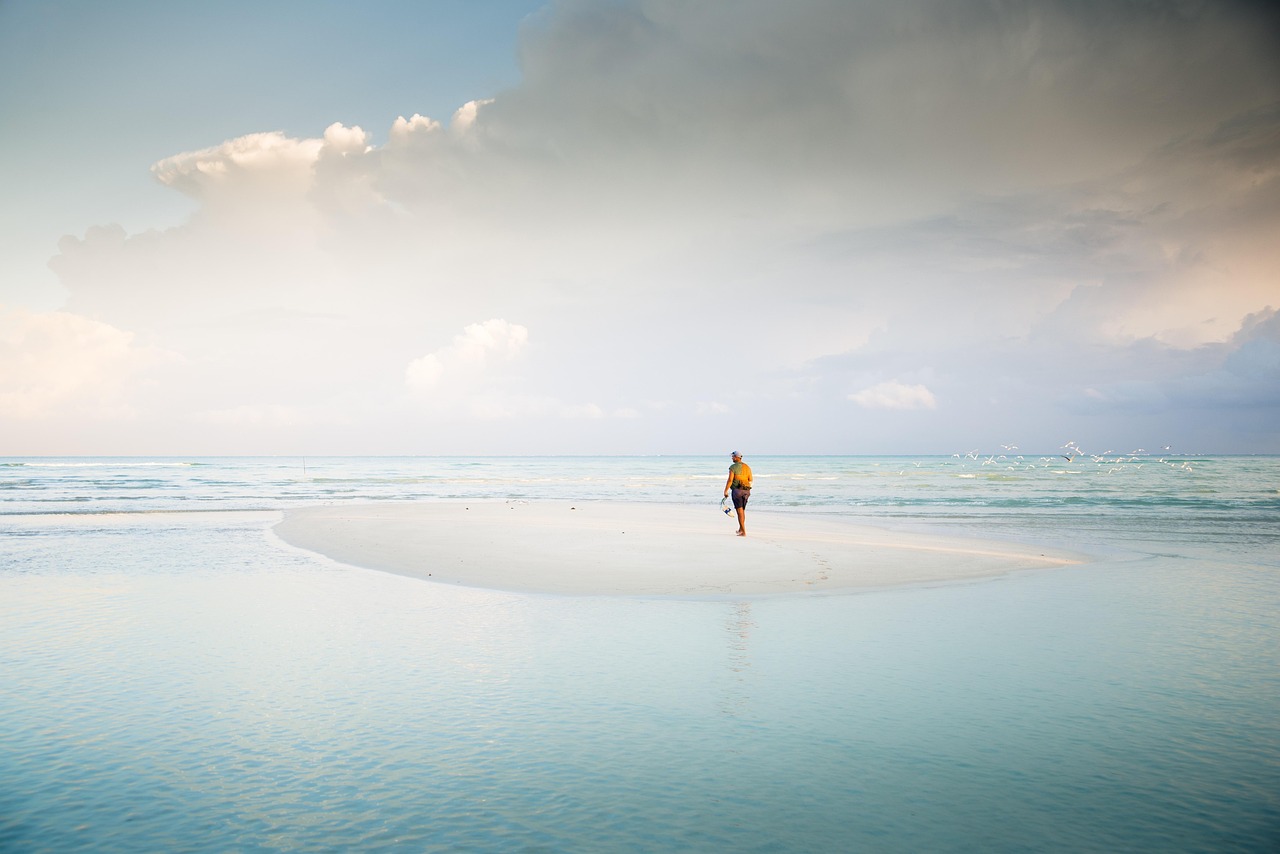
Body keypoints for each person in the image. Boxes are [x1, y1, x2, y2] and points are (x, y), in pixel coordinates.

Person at [723, 451, 753, 536]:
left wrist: (725, 491)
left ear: (737, 457)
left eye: (733, 456)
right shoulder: (747, 467)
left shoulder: (733, 467)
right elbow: (750, 479)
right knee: (742, 511)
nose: (732, 458)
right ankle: (741, 529)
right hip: (747, 491)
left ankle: (743, 531)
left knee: (739, 511)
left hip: (737, 491)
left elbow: (730, 480)